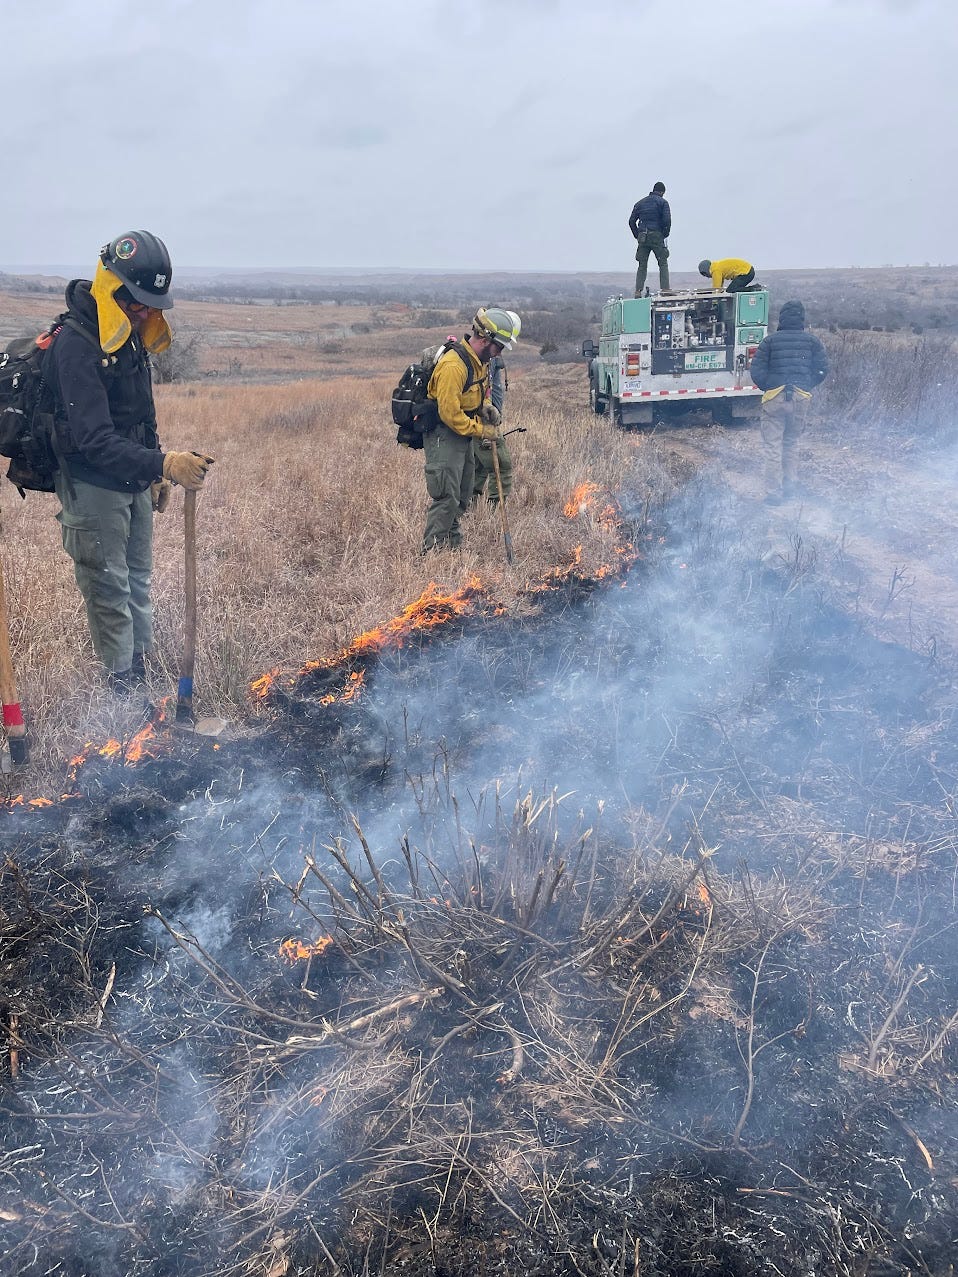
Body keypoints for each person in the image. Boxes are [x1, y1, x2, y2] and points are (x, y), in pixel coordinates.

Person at [43, 230, 214, 690]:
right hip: (93, 485)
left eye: (150, 306)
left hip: (132, 480)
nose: (144, 313)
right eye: (136, 304)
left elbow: (142, 411)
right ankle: (122, 691)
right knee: (109, 589)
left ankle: (142, 674)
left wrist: (152, 468)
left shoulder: (129, 335)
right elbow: (95, 440)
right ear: (109, 287)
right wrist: (162, 465)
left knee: (138, 580)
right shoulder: (77, 345)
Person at [421, 307, 519, 554]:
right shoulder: (454, 366)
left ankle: (451, 547)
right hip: (444, 436)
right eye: (499, 347)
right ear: (485, 340)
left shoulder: (480, 363)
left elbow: (477, 394)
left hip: (463, 435)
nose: (499, 353)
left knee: (462, 495)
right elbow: (450, 414)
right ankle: (431, 553)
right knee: (446, 497)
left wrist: (487, 408)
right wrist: (482, 431)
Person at [748, 300, 829, 503]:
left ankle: (774, 494)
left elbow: (756, 370)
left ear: (781, 318)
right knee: (791, 443)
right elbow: (822, 369)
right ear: (802, 318)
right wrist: (807, 385)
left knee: (773, 446)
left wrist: (770, 385)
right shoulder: (813, 342)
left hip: (774, 398)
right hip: (801, 397)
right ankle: (790, 488)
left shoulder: (770, 341)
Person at [472, 310, 521, 506]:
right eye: (500, 346)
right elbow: (486, 389)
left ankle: (468, 503)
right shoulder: (484, 358)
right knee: (501, 464)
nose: (500, 351)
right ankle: (495, 509)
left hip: (485, 417)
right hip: (482, 420)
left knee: (480, 466)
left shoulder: (487, 357)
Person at [629, 181, 671, 296]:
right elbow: (667, 221)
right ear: (662, 192)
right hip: (657, 235)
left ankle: (638, 291)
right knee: (662, 262)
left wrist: (637, 235)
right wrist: (665, 234)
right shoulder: (663, 203)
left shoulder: (640, 203)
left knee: (642, 264)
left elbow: (631, 221)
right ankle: (665, 289)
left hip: (643, 236)